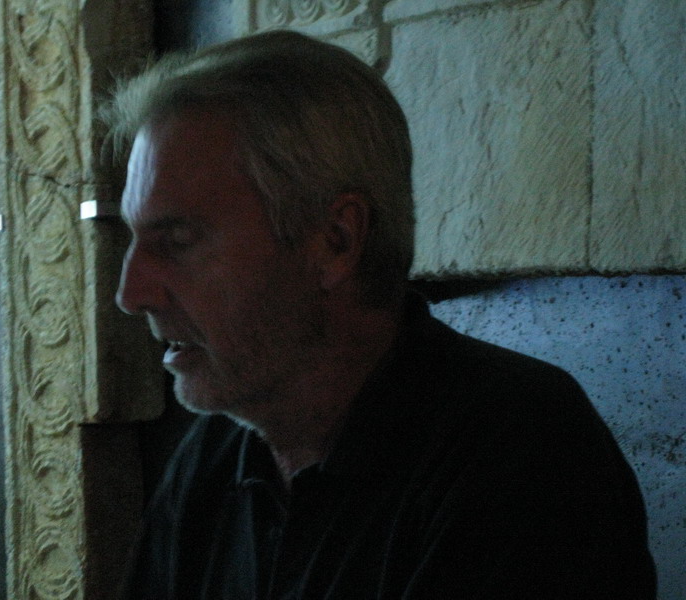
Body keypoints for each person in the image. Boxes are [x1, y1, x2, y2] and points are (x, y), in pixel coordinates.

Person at [106, 30, 656, 599]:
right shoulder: (211, 458)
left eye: (178, 241)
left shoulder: (524, 454)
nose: (131, 292)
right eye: (135, 239)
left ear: (335, 241)